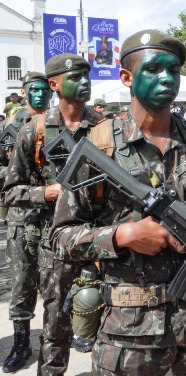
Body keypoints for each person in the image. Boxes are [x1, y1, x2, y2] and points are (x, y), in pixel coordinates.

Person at [49, 30, 186, 375]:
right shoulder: (99, 147)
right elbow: (60, 237)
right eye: (154, 69)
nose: (167, 78)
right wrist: (123, 235)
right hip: (131, 333)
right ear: (126, 77)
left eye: (174, 70)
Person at [2, 54, 100, 376]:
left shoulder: (104, 128)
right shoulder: (35, 131)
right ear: (55, 84)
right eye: (76, 76)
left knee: (104, 326)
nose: (85, 81)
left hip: (99, 241)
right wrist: (46, 192)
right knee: (54, 326)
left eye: (88, 75)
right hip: (53, 241)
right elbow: (10, 191)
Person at [0, 72, 52, 373]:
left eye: (45, 90)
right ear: (23, 91)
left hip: (52, 217)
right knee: (22, 282)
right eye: (34, 90)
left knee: (56, 279)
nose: (40, 95)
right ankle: (21, 341)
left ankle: (60, 333)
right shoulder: (12, 126)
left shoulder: (57, 124)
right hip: (22, 216)